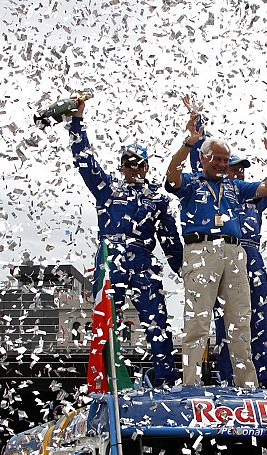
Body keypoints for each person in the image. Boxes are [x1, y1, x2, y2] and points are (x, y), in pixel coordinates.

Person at [165, 111, 267, 387]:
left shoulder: (234, 186)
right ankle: (190, 384)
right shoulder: (192, 183)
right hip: (200, 250)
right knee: (198, 322)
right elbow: (171, 176)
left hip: (233, 253)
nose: (221, 164)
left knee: (240, 321)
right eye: (216, 159)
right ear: (204, 158)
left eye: (224, 160)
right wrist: (188, 143)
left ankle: (246, 385)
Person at [69, 100, 183, 387]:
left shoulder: (158, 198)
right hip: (111, 256)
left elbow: (170, 240)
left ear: (147, 165)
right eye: (129, 164)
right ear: (121, 166)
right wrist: (77, 121)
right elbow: (85, 161)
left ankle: (166, 381)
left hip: (144, 258)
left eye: (139, 163)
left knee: (156, 319)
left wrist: (184, 270)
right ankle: (104, 378)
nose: (134, 168)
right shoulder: (107, 189)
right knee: (105, 318)